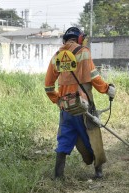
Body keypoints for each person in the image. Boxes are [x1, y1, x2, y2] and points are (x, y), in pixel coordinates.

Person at [44, 27, 116, 179]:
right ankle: (98, 172)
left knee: (64, 140)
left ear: (65, 40)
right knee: (94, 136)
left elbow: (48, 85)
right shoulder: (84, 52)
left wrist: (58, 100)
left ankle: (58, 176)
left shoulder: (57, 56)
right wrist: (106, 89)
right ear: (79, 38)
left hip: (66, 108)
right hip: (84, 106)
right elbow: (94, 77)